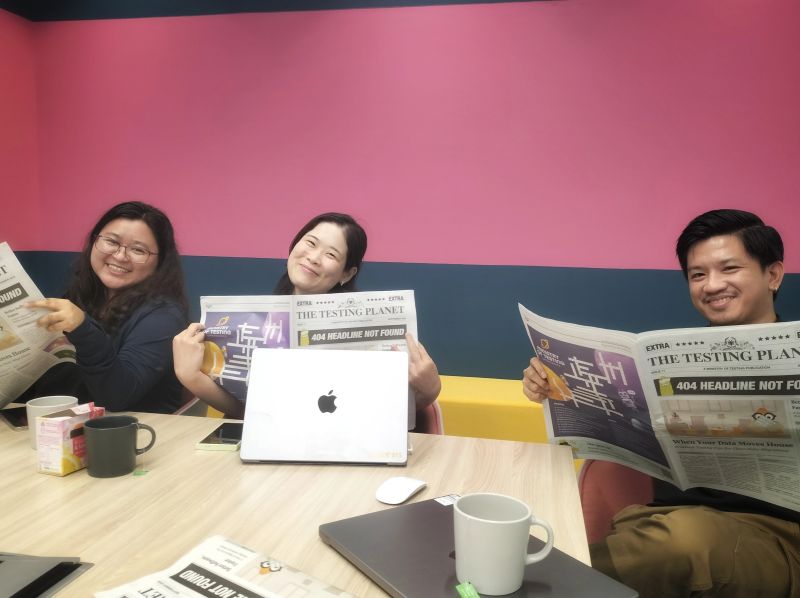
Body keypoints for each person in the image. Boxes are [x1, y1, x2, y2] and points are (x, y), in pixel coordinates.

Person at [522, 209, 799, 597]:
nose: (711, 285)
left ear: (772, 275)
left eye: (729, 269)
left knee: (686, 542)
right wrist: (550, 389)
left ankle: (524, 580)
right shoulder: (664, 360)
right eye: (697, 274)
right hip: (662, 523)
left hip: (777, 536)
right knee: (671, 537)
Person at [173, 212, 441, 421]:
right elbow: (244, 413)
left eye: (331, 254)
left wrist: (429, 390)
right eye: (310, 243)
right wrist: (190, 375)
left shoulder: (366, 327)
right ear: (294, 246)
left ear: (347, 274)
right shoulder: (252, 321)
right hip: (270, 447)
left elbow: (384, 414)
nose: (313, 257)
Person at [23, 201, 188, 413]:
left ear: (160, 261)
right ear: (94, 242)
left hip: (133, 437)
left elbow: (117, 397)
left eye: (138, 250)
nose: (120, 256)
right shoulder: (78, 297)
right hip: (55, 433)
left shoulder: (163, 317)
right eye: (111, 241)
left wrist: (83, 329)